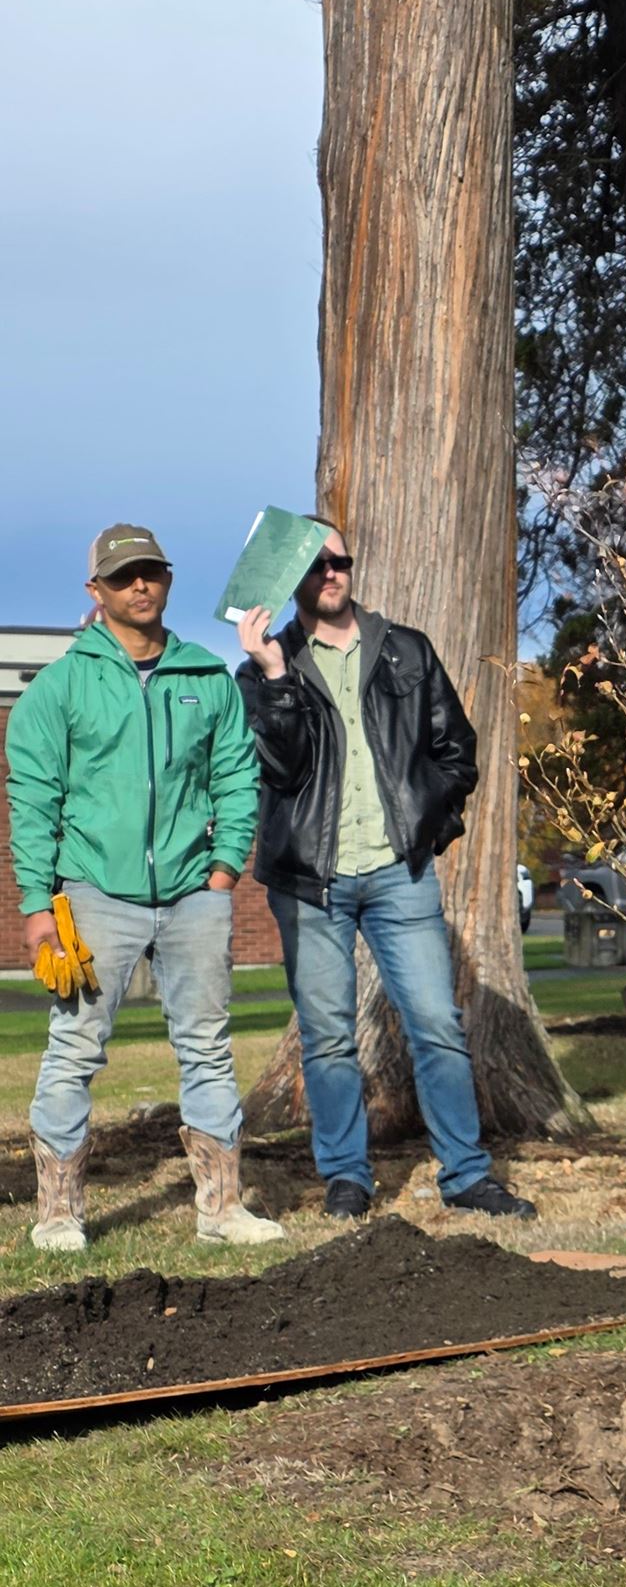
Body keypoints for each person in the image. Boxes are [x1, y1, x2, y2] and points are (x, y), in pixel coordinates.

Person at [235, 528, 535, 1221]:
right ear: (293, 577)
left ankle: (465, 1174)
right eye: (315, 564)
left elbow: (457, 752)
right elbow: (276, 770)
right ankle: (345, 1176)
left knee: (435, 1022)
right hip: (310, 881)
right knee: (329, 1034)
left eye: (340, 560)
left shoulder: (406, 648)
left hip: (399, 874)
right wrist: (277, 678)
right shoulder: (260, 672)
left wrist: (426, 826)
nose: (332, 573)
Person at [9, 525, 283, 1252]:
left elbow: (235, 775)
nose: (141, 585)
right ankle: (59, 1213)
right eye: (124, 575)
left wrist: (224, 870)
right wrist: (37, 903)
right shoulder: (62, 684)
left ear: (166, 582)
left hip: (195, 895)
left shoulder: (205, 678)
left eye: (152, 573)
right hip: (95, 895)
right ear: (96, 591)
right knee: (74, 1049)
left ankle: (222, 1210)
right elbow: (33, 799)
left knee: (208, 1049)